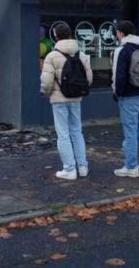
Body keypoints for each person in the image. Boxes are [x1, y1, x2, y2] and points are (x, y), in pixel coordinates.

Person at [40, 22, 93, 180]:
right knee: (77, 131)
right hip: (76, 98)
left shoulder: (51, 56)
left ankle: (69, 169)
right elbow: (89, 78)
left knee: (63, 134)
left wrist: (48, 93)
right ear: (70, 34)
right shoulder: (81, 54)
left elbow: (47, 82)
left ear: (56, 36)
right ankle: (82, 166)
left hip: (58, 99)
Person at [111, 20, 139, 178]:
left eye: (117, 32)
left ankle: (130, 167)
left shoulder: (122, 50)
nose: (116, 35)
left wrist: (117, 93)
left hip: (129, 97)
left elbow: (118, 75)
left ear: (121, 33)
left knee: (130, 132)